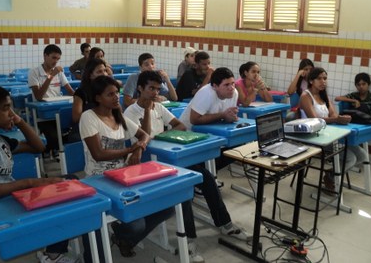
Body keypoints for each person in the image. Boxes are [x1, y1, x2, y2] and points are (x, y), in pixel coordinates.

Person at [0, 85, 78, 263]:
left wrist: (20, 121)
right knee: (67, 189)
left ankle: (53, 250)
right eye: (6, 108)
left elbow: (38, 147)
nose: (11, 113)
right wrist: (28, 183)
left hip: (7, 197)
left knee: (69, 181)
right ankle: (52, 253)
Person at [79, 75, 173, 260]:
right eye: (110, 94)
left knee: (167, 207)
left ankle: (124, 238)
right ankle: (123, 234)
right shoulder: (88, 117)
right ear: (98, 98)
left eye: (117, 93)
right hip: (98, 180)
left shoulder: (118, 116)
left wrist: (138, 150)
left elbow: (144, 135)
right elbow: (98, 154)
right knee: (135, 225)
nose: (116, 97)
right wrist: (129, 149)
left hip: (123, 177)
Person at [124, 70, 205, 262]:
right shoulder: (130, 112)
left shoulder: (159, 107)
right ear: (140, 88)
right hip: (143, 163)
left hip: (163, 159)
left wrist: (163, 136)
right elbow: (144, 137)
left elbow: (180, 126)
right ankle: (189, 241)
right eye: (150, 88)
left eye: (157, 89)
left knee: (203, 176)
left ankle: (220, 223)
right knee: (181, 190)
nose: (154, 92)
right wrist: (146, 112)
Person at [179, 67, 252, 237]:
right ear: (214, 86)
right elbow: (194, 120)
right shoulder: (206, 93)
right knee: (208, 179)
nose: (231, 88)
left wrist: (231, 116)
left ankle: (200, 181)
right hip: (188, 141)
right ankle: (223, 221)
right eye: (226, 85)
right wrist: (222, 115)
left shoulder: (233, 94)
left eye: (233, 84)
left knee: (238, 148)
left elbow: (227, 116)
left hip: (209, 139)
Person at [299, 67, 368, 191]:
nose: (323, 81)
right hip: (313, 137)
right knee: (350, 158)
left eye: (325, 78)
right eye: (319, 78)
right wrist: (336, 119)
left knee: (362, 155)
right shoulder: (305, 96)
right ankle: (332, 176)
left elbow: (334, 115)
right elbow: (315, 120)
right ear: (311, 81)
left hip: (329, 134)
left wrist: (342, 118)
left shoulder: (324, 96)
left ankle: (331, 173)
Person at [28, 44, 75, 156]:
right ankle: (49, 151)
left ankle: (63, 153)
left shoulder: (59, 72)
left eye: (58, 59)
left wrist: (79, 97)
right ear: (45, 56)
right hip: (44, 115)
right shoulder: (34, 72)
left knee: (73, 133)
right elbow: (39, 96)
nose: (56, 61)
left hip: (58, 110)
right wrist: (50, 76)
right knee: (54, 137)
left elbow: (69, 90)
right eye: (53, 58)